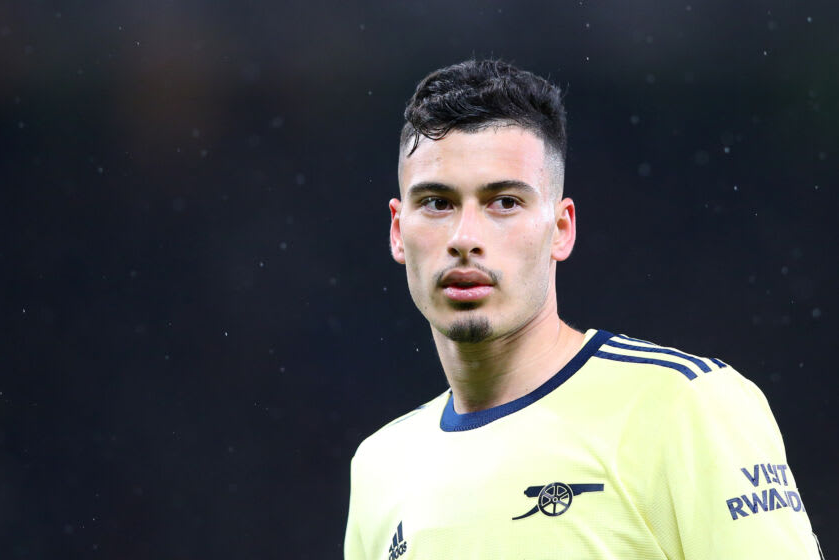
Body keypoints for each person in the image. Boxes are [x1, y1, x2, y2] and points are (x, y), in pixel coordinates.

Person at [344, 59, 822, 559]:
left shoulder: (686, 405)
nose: (465, 238)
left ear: (561, 229)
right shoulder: (380, 466)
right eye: (437, 203)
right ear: (398, 231)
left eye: (504, 202)